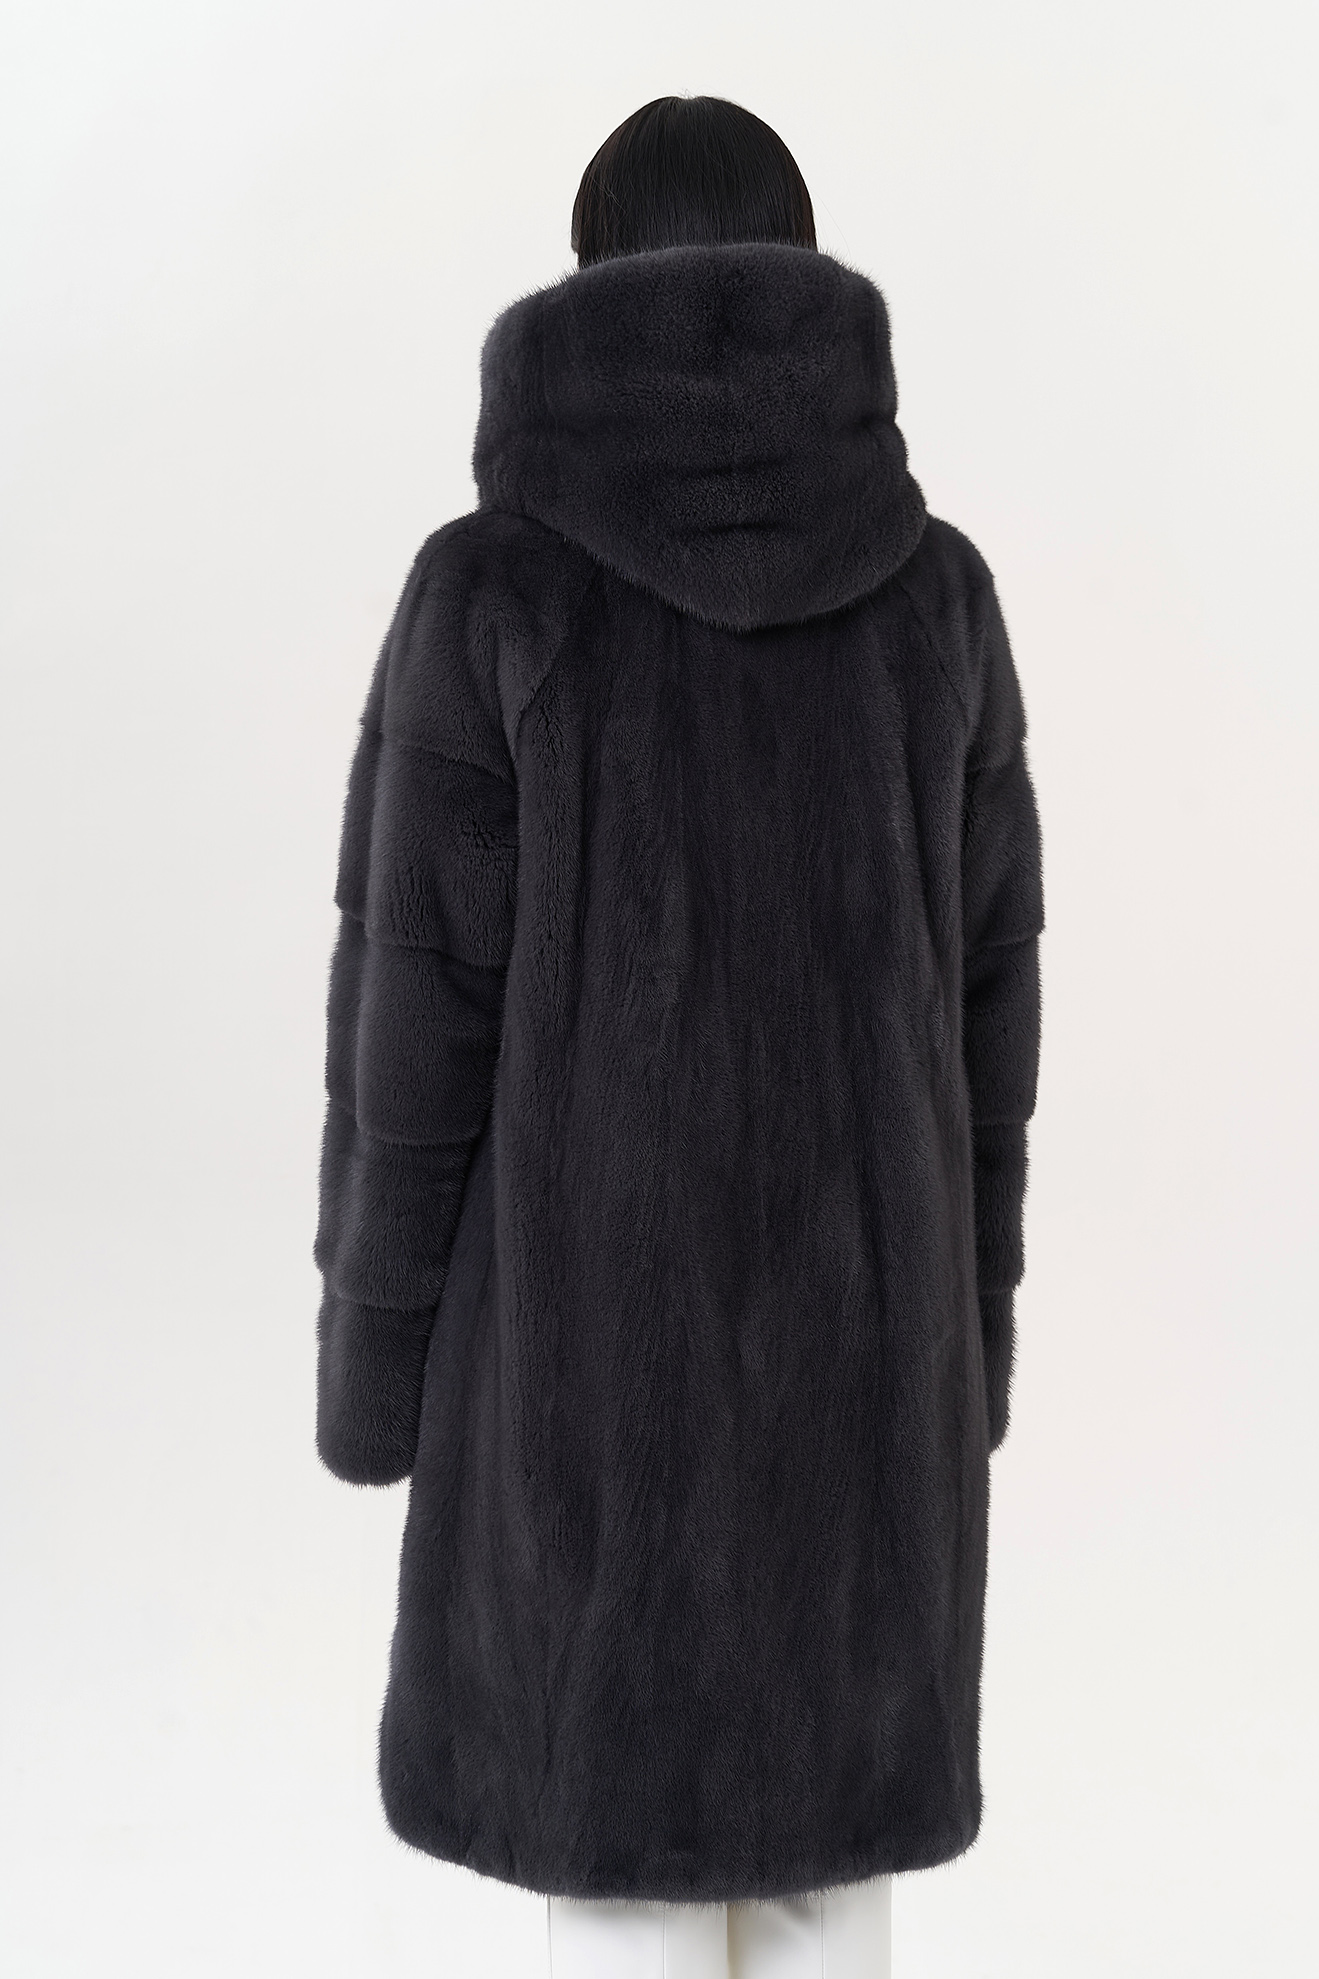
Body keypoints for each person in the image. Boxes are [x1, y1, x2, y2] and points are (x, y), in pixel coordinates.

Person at [312, 94, 1044, 1978]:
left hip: (582, 1403)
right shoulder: (935, 597)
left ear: (587, 281)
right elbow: (990, 1017)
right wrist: (968, 1351)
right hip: (866, 1393)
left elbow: (413, 1034)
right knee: (826, 1898)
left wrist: (376, 1377)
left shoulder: (492, 591)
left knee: (616, 1899)